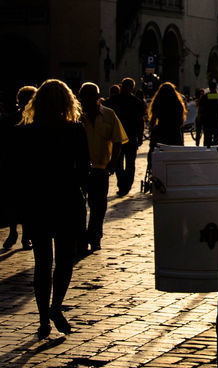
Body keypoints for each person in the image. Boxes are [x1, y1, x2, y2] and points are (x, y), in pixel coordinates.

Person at [16, 80, 90, 337]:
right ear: (67, 102)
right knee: (65, 260)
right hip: (67, 200)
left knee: (42, 263)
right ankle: (56, 306)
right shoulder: (75, 130)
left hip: (37, 202)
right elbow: (84, 170)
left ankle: (42, 320)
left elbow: (20, 174)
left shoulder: (27, 132)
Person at [78, 82, 127, 254]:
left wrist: (113, 163)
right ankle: (82, 238)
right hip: (79, 169)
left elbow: (118, 140)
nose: (90, 100)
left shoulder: (108, 114)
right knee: (80, 206)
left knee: (98, 205)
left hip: (100, 167)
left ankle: (95, 236)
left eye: (93, 96)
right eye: (86, 96)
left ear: (98, 97)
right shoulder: (75, 116)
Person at [1, 85, 36, 251]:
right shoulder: (13, 118)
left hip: (24, 166)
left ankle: (22, 235)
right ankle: (18, 233)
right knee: (18, 202)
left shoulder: (37, 119)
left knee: (23, 203)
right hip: (17, 165)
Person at [111, 77, 146, 196]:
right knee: (130, 163)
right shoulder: (137, 102)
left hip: (118, 136)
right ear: (132, 88)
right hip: (130, 136)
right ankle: (126, 185)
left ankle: (122, 185)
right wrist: (140, 136)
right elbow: (141, 121)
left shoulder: (113, 100)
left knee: (119, 163)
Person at [148, 81, 187, 152]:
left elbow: (153, 120)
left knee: (156, 156)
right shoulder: (178, 104)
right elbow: (181, 121)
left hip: (161, 132)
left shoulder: (158, 103)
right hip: (174, 133)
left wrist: (152, 129)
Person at [198, 81, 218, 146]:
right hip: (217, 121)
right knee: (217, 138)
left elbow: (200, 108)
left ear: (209, 88)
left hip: (207, 121)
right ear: (216, 88)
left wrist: (199, 118)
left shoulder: (205, 97)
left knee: (207, 138)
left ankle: (207, 152)